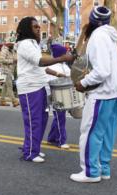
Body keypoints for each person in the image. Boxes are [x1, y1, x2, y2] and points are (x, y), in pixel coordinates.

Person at [71, 6, 117, 183]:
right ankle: (104, 169)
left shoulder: (98, 36)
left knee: (90, 132)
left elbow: (102, 71)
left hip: (101, 94)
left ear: (92, 21)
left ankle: (90, 172)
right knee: (107, 133)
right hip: (114, 93)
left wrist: (83, 83)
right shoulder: (109, 35)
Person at [15, 17, 74, 163]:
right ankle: (30, 153)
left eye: (38, 26)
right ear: (28, 29)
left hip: (39, 86)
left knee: (41, 119)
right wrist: (61, 58)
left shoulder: (33, 44)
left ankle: (34, 148)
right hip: (29, 88)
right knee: (33, 121)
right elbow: (40, 61)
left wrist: (56, 73)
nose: (38, 29)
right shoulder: (25, 44)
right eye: (35, 27)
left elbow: (40, 67)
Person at [45, 44, 71, 149]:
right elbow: (49, 83)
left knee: (59, 117)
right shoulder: (52, 67)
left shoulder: (65, 66)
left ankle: (51, 138)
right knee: (60, 118)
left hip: (63, 95)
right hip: (56, 96)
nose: (67, 54)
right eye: (65, 53)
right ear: (60, 55)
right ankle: (61, 141)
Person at [0, 42, 19, 107]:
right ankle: (14, 101)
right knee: (9, 86)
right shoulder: (4, 50)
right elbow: (2, 60)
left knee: (5, 86)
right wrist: (12, 61)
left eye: (13, 44)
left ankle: (2, 101)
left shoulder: (12, 50)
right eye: (12, 44)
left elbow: (13, 58)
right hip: (5, 71)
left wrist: (14, 60)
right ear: (8, 44)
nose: (13, 45)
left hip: (10, 70)